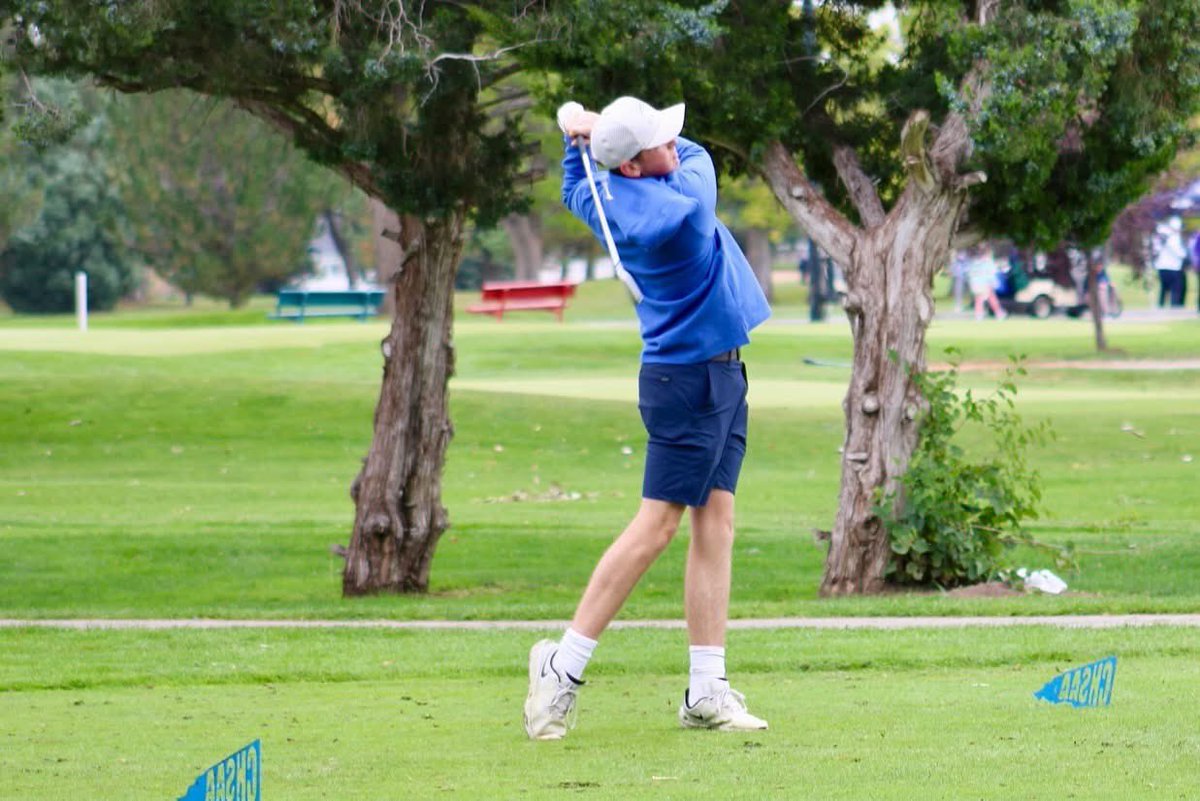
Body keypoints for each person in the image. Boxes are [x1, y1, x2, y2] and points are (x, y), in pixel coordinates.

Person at [522, 97, 772, 741]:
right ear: (634, 166)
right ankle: (561, 667)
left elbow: (576, 183)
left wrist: (577, 135)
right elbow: (696, 154)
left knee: (716, 521)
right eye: (659, 141)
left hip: (710, 374)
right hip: (691, 382)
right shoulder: (686, 204)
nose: (673, 143)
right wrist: (592, 126)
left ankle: (706, 689)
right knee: (656, 526)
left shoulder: (605, 199)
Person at [1151, 216, 1187, 308]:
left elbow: (1155, 250)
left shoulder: (1159, 235)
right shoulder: (1173, 237)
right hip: (1173, 267)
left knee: (1164, 289)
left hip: (1161, 267)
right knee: (1176, 289)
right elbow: (1180, 253)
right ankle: (1174, 308)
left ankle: (1161, 306)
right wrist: (1185, 255)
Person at [965, 244, 1006, 320]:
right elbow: (991, 273)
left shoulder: (976, 262)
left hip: (978, 284)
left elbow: (971, 274)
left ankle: (980, 314)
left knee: (981, 299)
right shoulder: (986, 262)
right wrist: (993, 283)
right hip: (984, 283)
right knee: (990, 299)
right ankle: (998, 313)